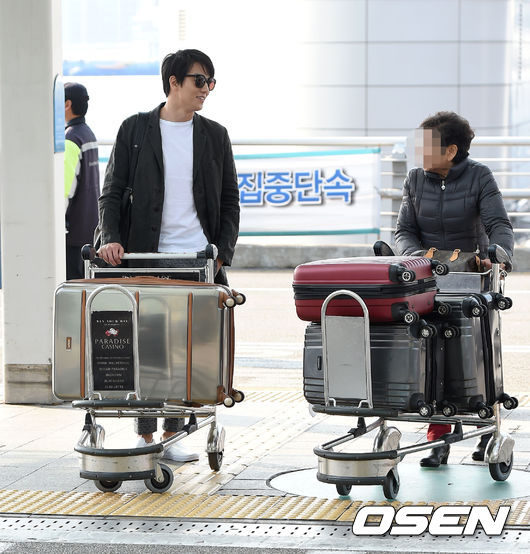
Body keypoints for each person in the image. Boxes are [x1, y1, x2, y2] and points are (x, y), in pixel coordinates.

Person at [97, 49, 240, 462]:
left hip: (197, 260)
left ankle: (173, 434)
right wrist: (111, 238)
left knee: (185, 350)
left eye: (211, 82)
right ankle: (145, 436)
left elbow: (230, 201)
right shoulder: (135, 129)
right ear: (174, 82)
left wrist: (221, 255)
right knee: (146, 347)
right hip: (145, 258)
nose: (206, 89)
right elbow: (111, 192)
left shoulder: (215, 135)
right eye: (199, 81)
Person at [395, 111, 514, 468]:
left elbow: (499, 224)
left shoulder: (480, 176)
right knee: (431, 355)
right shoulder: (415, 179)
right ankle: (439, 438)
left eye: (426, 145)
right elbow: (404, 232)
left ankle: (487, 427)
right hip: (429, 280)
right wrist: (415, 259)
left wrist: (499, 256)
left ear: (450, 151)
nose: (419, 152)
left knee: (476, 356)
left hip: (472, 280)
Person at [64, 82, 100, 280]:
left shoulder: (71, 138)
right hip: (89, 229)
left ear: (67, 104)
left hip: (73, 233)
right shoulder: (87, 133)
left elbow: (66, 191)